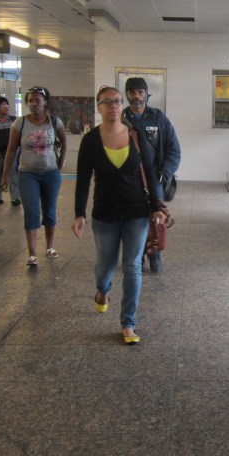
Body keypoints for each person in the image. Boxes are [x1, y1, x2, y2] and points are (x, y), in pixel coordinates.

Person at [72, 86, 165, 345]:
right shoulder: (90, 141)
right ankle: (103, 290)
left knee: (132, 265)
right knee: (106, 266)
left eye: (116, 101)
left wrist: (156, 206)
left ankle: (128, 323)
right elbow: (82, 180)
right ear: (99, 107)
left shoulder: (135, 135)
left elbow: (150, 168)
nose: (113, 105)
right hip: (105, 212)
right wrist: (79, 213)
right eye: (107, 102)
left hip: (136, 211)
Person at [1, 86, 66, 266]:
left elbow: (64, 141)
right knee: (31, 211)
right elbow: (11, 149)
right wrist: (5, 175)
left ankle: (50, 247)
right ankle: (32, 253)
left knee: (50, 210)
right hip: (27, 174)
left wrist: (61, 162)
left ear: (45, 102)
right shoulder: (20, 123)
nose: (34, 104)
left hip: (50, 174)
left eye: (37, 100)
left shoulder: (54, 121)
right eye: (30, 101)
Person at [123, 77, 180, 273]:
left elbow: (174, 149)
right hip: (130, 181)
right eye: (132, 92)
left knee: (156, 215)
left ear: (146, 94)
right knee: (133, 218)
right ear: (127, 94)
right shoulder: (120, 119)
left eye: (140, 92)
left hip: (155, 178)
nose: (136, 96)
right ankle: (136, 255)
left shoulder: (158, 118)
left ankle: (155, 252)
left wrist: (165, 173)